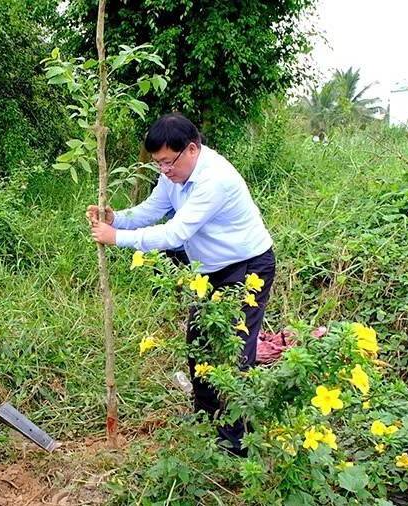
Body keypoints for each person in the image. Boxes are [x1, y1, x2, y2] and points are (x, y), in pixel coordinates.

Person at [87, 113, 276, 455]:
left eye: (168, 162)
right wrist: (118, 219)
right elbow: (152, 210)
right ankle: (207, 422)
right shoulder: (172, 175)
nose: (165, 171)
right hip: (208, 271)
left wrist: (116, 238)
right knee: (199, 344)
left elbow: (176, 232)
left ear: (191, 149)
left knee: (233, 353)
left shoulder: (213, 179)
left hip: (247, 267)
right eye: (158, 164)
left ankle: (237, 442)